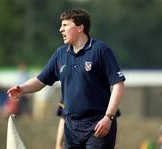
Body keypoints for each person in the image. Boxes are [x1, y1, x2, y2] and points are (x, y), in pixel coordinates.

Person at [7, 9, 125, 149]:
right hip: (71, 127)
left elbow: (118, 85)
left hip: (98, 124)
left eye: (65, 25)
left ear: (80, 27)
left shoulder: (101, 51)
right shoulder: (60, 54)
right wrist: (21, 89)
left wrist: (108, 117)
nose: (60, 29)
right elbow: (40, 81)